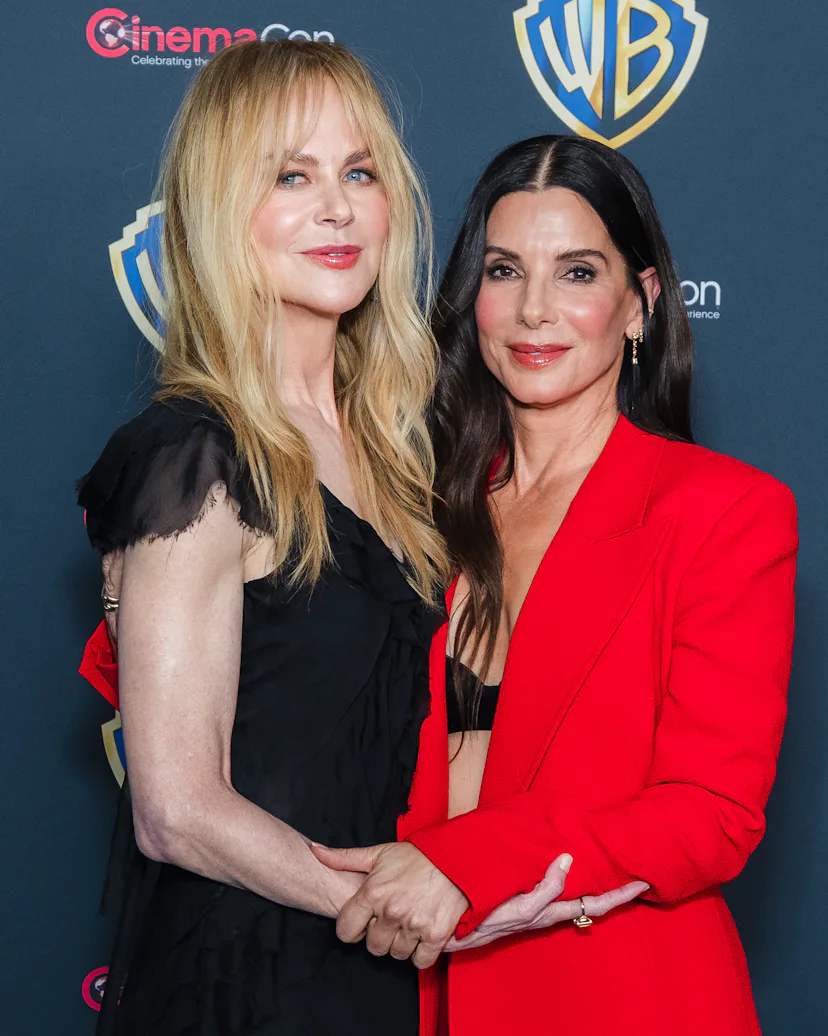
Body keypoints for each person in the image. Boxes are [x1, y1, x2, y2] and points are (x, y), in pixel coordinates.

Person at [77, 47, 638, 1036]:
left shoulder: (401, 455)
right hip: (243, 979)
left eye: (360, 172)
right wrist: (406, 911)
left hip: (375, 981)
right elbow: (176, 807)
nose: (337, 208)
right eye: (291, 176)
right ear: (220, 207)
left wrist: (558, 857)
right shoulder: (194, 453)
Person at [313, 136, 799, 1036]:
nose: (534, 310)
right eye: (505, 271)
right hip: (394, 992)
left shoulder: (723, 511)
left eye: (577, 272)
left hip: (619, 996)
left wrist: (466, 860)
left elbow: (711, 812)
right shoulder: (410, 507)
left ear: (639, 303)